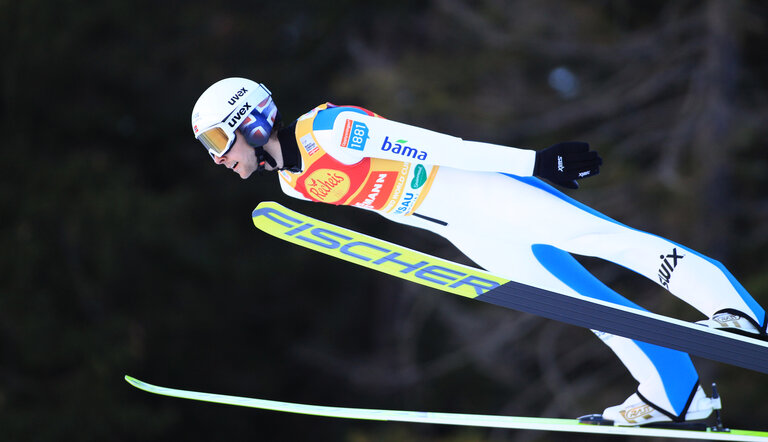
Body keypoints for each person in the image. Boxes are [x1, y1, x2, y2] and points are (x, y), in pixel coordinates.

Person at [191, 77, 767, 426]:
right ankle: (676, 393)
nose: (217, 158)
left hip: (489, 192)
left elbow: (437, 147)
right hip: (465, 231)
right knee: (582, 303)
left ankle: (738, 312)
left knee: (610, 242)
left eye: (218, 140)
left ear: (251, 119)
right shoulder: (294, 181)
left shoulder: (328, 132)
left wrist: (535, 163)